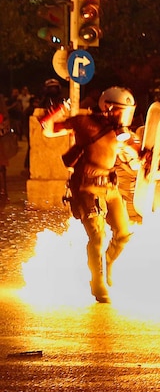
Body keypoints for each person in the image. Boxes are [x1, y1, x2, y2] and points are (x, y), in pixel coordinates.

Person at [41, 87, 143, 304]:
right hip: (87, 189)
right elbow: (48, 129)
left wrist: (145, 157)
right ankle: (97, 284)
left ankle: (106, 262)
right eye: (121, 112)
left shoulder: (120, 133)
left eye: (127, 112)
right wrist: (57, 111)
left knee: (124, 234)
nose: (124, 117)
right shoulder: (85, 122)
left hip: (110, 189)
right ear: (109, 108)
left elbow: (135, 153)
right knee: (97, 236)